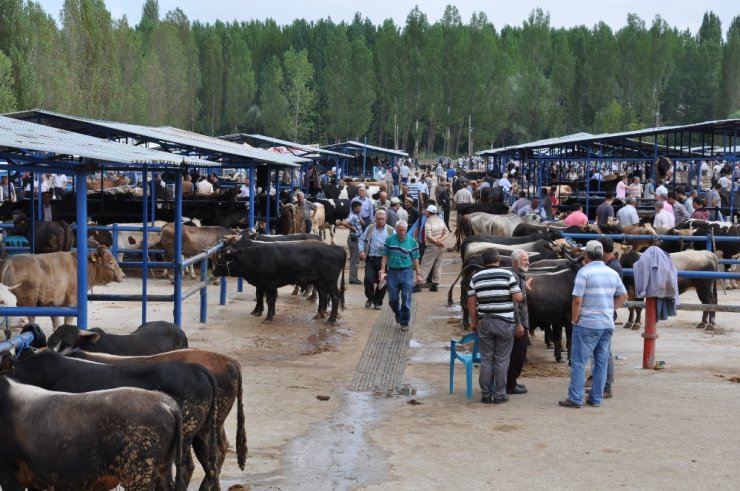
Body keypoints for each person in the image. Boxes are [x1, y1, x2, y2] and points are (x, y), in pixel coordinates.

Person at [559, 240, 627, 408]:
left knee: (579, 362)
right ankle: (596, 398)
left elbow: (577, 300)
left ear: (586, 256)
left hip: (587, 323)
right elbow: (623, 295)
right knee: (601, 362)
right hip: (606, 323)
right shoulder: (612, 273)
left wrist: (575, 320)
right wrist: (610, 310)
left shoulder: (584, 273)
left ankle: (575, 398)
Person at [467, 248, 524, 404]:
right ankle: (499, 394)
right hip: (505, 323)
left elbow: (471, 303)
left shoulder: (475, 277)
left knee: (486, 359)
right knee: (501, 360)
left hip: (485, 322)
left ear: (483, 262)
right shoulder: (508, 275)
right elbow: (518, 297)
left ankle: (485, 394)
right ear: (498, 259)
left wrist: (474, 323)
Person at [379, 220, 422, 331]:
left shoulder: (412, 241)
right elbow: (384, 255)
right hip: (392, 272)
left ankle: (404, 322)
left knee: (406, 298)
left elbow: (415, 258)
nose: (403, 232)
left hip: (406, 272)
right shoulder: (389, 240)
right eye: (400, 230)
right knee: (392, 299)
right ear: (396, 229)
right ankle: (398, 313)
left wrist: (418, 274)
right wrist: (383, 270)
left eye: (404, 230)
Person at [359, 210, 395, 310]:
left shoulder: (391, 231)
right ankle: (370, 298)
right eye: (378, 219)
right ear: (375, 218)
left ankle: (378, 301)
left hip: (384, 260)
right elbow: (362, 239)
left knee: (382, 281)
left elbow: (396, 244)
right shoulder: (370, 228)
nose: (380, 221)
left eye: (382, 219)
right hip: (371, 258)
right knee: (368, 280)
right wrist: (361, 251)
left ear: (386, 219)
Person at [507, 250, 530, 396]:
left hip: (522, 320)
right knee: (518, 355)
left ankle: (511, 382)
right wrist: (518, 324)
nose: (528, 262)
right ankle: (509, 385)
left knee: (518, 354)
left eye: (527, 260)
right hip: (519, 322)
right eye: (524, 260)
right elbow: (514, 304)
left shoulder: (519, 276)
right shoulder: (514, 277)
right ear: (515, 263)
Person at [415, 205, 449, 293]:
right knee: (437, 265)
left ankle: (419, 284)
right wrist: (440, 241)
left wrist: (437, 242)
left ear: (428, 213)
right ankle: (435, 285)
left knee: (425, 265)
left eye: (426, 211)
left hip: (432, 246)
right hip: (440, 247)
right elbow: (447, 232)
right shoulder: (440, 220)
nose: (425, 212)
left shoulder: (428, 222)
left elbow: (428, 235)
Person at [340, 201, 364, 285]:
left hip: (356, 239)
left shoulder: (356, 215)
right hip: (354, 239)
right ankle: (353, 279)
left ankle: (353, 277)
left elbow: (363, 223)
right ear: (354, 208)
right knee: (354, 260)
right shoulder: (352, 216)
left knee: (355, 259)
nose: (360, 209)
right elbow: (343, 222)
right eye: (359, 208)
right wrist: (351, 228)